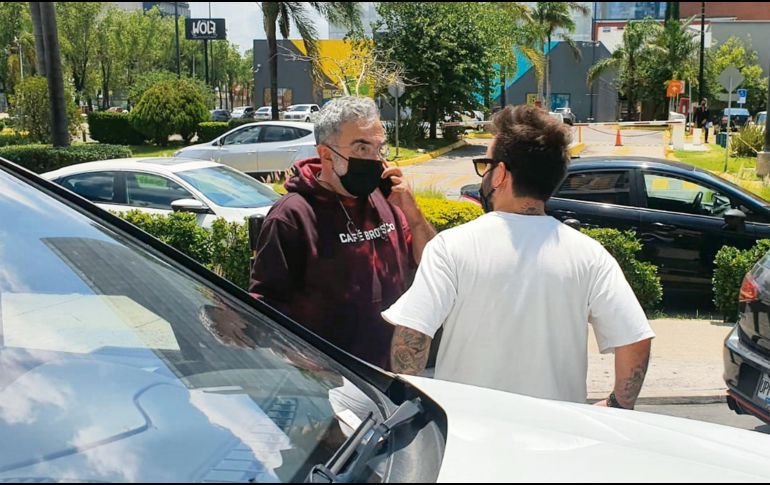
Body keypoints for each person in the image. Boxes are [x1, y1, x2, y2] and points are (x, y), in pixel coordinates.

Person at [382, 105, 654, 410]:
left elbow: (412, 336)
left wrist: (407, 412)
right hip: (558, 441)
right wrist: (617, 404)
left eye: (486, 165)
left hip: (469, 438)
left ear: (499, 174)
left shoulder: (452, 247)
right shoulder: (590, 255)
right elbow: (636, 340)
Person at [249, 96, 436, 370]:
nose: (374, 160)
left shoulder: (386, 199)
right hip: (328, 381)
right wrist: (305, 363)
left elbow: (429, 261)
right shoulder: (292, 216)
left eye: (378, 149)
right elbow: (266, 307)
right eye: (362, 148)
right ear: (325, 154)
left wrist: (413, 211)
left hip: (389, 375)